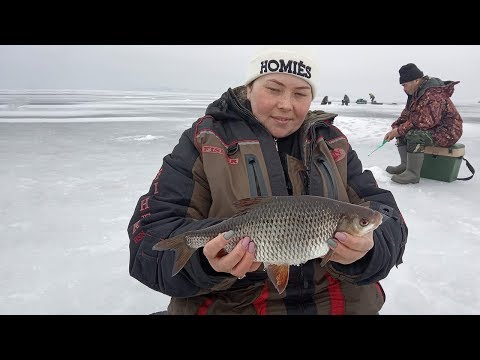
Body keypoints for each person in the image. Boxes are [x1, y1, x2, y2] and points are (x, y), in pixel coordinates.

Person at [128, 46, 408, 315]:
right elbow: (147, 238)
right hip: (234, 305)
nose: (286, 105)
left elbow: (387, 214)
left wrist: (369, 251)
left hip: (339, 302)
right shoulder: (205, 141)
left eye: (300, 93)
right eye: (273, 89)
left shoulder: (332, 142)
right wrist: (206, 263)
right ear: (249, 87)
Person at [384, 63, 463, 184]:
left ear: (416, 80)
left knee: (413, 135)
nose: (403, 88)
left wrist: (399, 130)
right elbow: (406, 115)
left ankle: (412, 174)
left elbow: (425, 121)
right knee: (402, 131)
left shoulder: (434, 93)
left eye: (405, 84)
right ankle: (405, 165)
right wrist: (395, 128)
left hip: (448, 131)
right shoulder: (415, 94)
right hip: (434, 129)